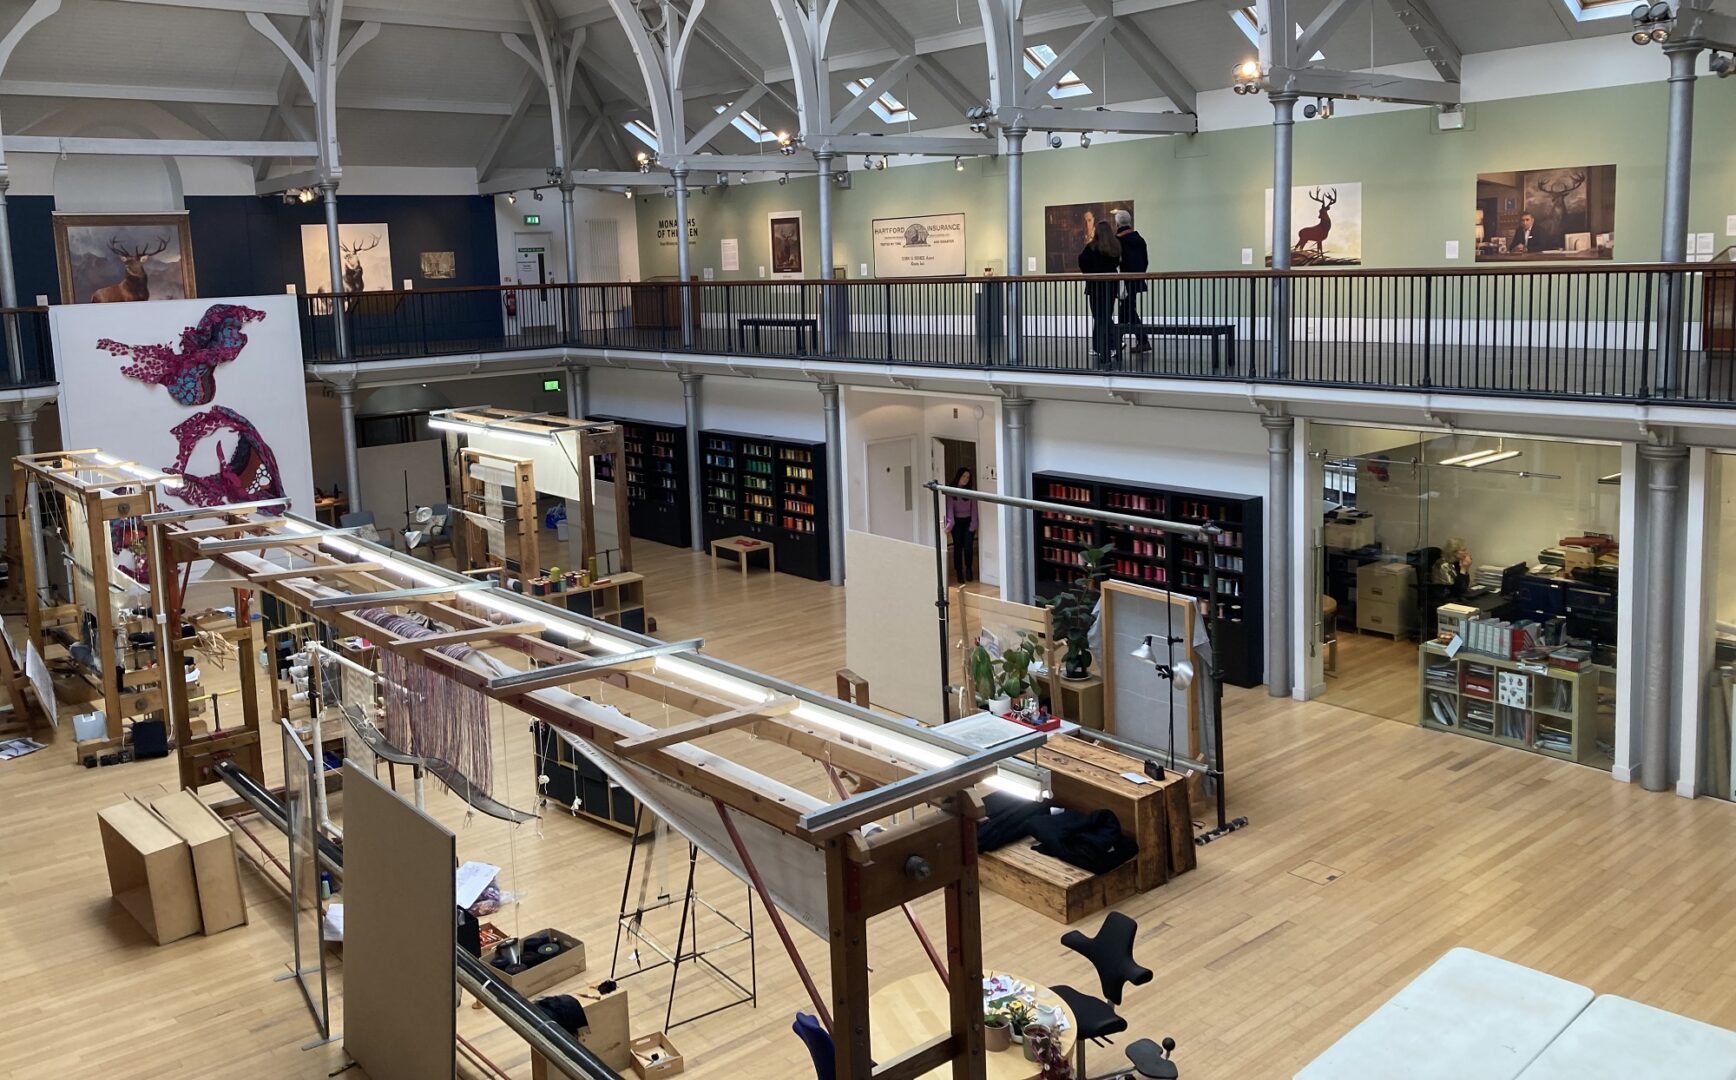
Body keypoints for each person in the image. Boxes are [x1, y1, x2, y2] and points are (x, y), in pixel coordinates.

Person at [1078, 220, 1122, 367]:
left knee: (1099, 316)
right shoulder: (1115, 246)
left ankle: (1104, 348)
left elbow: (1082, 260)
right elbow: (1117, 263)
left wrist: (1089, 273)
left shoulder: (1091, 247)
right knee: (1107, 315)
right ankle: (1113, 346)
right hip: (1111, 285)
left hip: (1095, 286)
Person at [1113, 209, 1151, 355]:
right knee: (1128, 309)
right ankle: (1126, 339)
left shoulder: (1119, 240)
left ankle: (1140, 340)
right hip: (1136, 280)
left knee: (1128, 310)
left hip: (1124, 280)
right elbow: (1145, 261)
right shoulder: (1139, 239)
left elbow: (1117, 261)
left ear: (1117, 223)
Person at [942, 468, 979, 583]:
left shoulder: (970, 491)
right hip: (956, 522)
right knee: (957, 547)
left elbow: (974, 510)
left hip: (968, 522)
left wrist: (973, 525)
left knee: (968, 547)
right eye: (964, 476)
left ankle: (968, 569)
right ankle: (959, 571)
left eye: (968, 477)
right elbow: (949, 509)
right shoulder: (951, 491)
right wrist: (949, 525)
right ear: (959, 476)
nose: (966, 479)